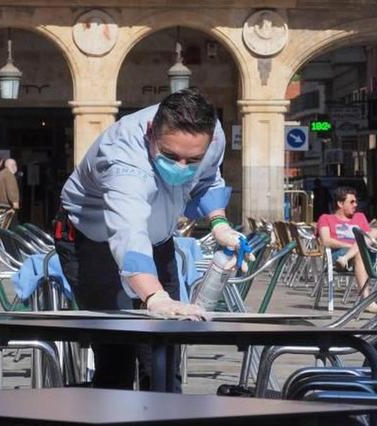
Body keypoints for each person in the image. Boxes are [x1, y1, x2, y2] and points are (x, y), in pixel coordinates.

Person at [54, 89, 246, 391]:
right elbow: (129, 235)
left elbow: (207, 181)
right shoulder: (122, 159)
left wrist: (219, 224)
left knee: (164, 350)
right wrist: (154, 298)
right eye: (171, 156)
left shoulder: (213, 134)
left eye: (192, 159)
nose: (182, 166)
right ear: (150, 132)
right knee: (117, 351)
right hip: (94, 236)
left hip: (159, 237)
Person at [316, 186, 377, 310]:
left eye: (356, 202)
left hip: (357, 255)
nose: (355, 205)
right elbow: (325, 241)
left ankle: (347, 257)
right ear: (340, 203)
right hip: (338, 255)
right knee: (359, 252)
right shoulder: (325, 218)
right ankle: (367, 301)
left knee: (376, 232)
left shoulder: (360, 217)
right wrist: (351, 246)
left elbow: (368, 237)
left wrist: (355, 248)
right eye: (352, 202)